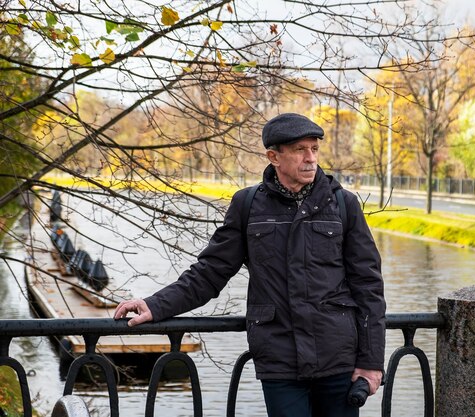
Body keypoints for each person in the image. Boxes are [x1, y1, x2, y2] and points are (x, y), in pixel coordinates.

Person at [114, 113, 386, 417]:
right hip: (280, 361)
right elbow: (210, 273)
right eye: (300, 150)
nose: (311, 159)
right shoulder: (247, 205)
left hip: (338, 359)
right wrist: (156, 305)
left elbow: (368, 287)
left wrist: (371, 361)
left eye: (314, 149)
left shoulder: (343, 205)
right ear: (274, 157)